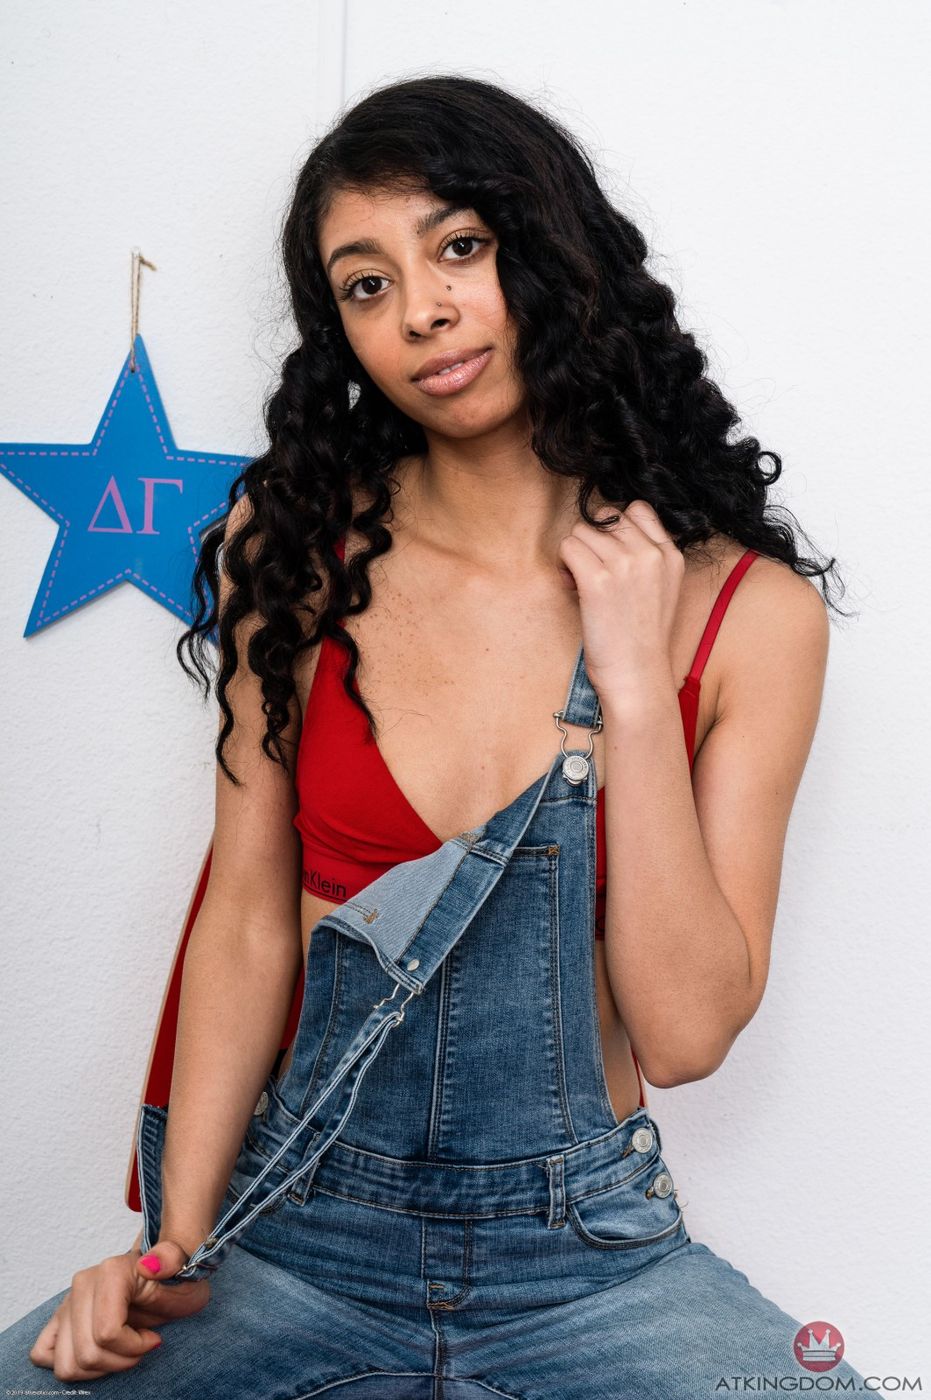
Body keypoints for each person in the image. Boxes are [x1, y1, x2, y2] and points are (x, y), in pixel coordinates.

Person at [1, 74, 873, 1397]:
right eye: (366, 284)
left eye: (458, 246)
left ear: (551, 254)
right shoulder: (292, 552)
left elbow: (687, 1034)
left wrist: (634, 691)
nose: (420, 310)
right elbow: (247, 916)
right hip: (294, 1229)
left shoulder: (747, 615)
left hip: (591, 1263)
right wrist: (171, 1245)